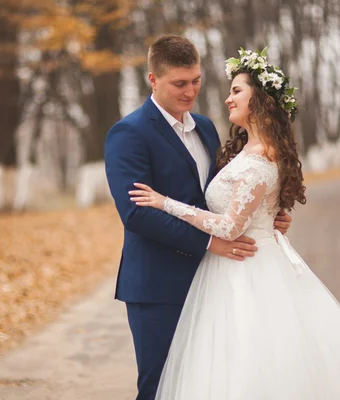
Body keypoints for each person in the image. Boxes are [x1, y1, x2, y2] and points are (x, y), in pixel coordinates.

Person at [128, 48, 340, 399]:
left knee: (250, 361)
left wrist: (165, 203)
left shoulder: (254, 157)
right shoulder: (243, 148)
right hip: (223, 266)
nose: (227, 98)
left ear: (262, 99)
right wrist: (269, 216)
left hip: (245, 268)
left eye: (236, 90)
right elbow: (244, 201)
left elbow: (229, 226)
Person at [104, 37, 292, 400]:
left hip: (215, 281)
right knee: (161, 386)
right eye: (179, 83)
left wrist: (267, 217)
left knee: (211, 384)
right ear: (153, 80)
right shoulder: (129, 134)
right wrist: (210, 242)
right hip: (160, 284)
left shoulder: (206, 127)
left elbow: (227, 195)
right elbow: (136, 214)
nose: (190, 91)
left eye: (196, 81)